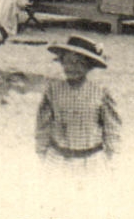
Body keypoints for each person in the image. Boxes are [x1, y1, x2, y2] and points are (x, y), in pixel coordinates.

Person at [35, 34, 120, 172]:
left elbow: (112, 129)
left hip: (91, 161)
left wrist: (112, 158)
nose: (71, 68)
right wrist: (41, 153)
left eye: (78, 63)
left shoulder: (101, 92)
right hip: (58, 159)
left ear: (89, 66)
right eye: (67, 62)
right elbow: (43, 126)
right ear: (61, 62)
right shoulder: (53, 90)